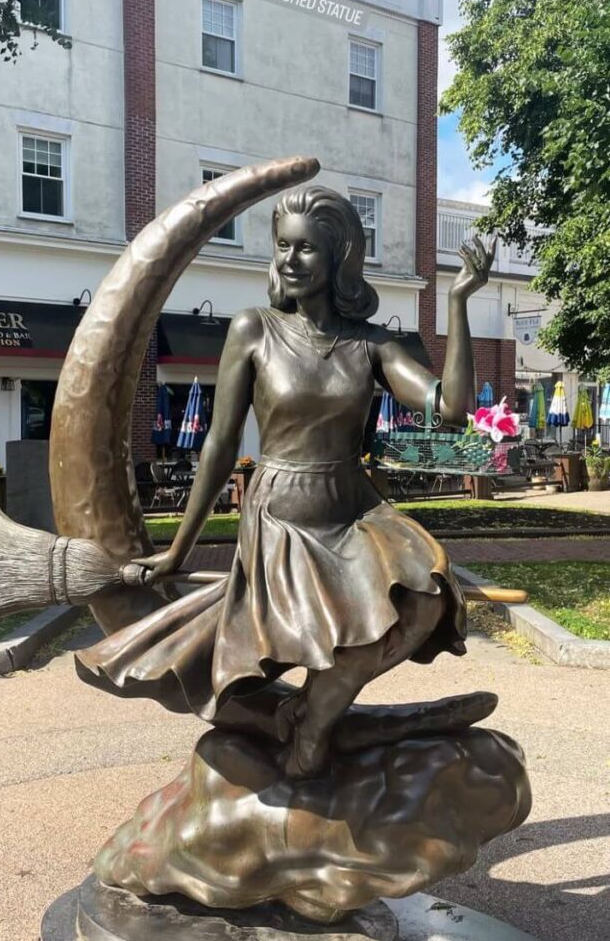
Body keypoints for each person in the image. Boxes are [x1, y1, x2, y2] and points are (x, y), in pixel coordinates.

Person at [77, 186, 495, 778]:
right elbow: (220, 444)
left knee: (424, 597)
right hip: (283, 516)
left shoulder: (370, 343)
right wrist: (180, 547)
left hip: (353, 509)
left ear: (339, 259)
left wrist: (457, 302)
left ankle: (313, 712)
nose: (290, 260)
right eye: (282, 247)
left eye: (307, 249)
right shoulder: (253, 329)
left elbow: (451, 409)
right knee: (330, 632)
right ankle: (310, 737)